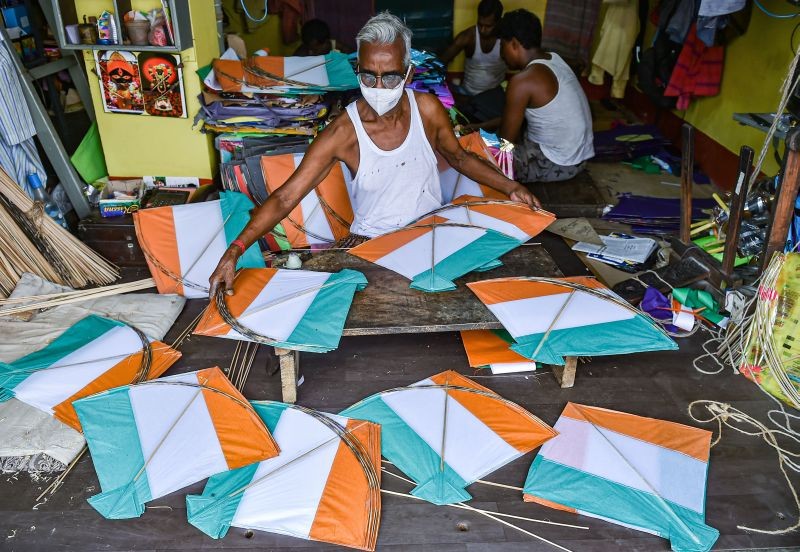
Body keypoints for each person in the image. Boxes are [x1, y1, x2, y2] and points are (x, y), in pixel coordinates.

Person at [209, 12, 541, 297]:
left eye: (390, 75)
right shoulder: (344, 132)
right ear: (358, 71)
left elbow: (460, 158)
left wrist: (510, 187)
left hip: (431, 237)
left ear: (408, 73)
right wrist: (235, 251)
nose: (379, 86)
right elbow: (285, 198)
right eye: (369, 75)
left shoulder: (427, 110)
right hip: (372, 246)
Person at [494, 9, 594, 183]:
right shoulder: (554, 59)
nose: (501, 54)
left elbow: (506, 141)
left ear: (515, 44)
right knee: (487, 136)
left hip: (555, 163)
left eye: (502, 46)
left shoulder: (522, 81)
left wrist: (493, 157)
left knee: (479, 153)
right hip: (578, 158)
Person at [440, 0, 507, 121]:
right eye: (480, 24)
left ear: (498, 22)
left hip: (493, 99)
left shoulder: (505, 41)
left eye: (488, 26)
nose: (482, 30)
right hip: (467, 94)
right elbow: (440, 63)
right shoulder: (468, 36)